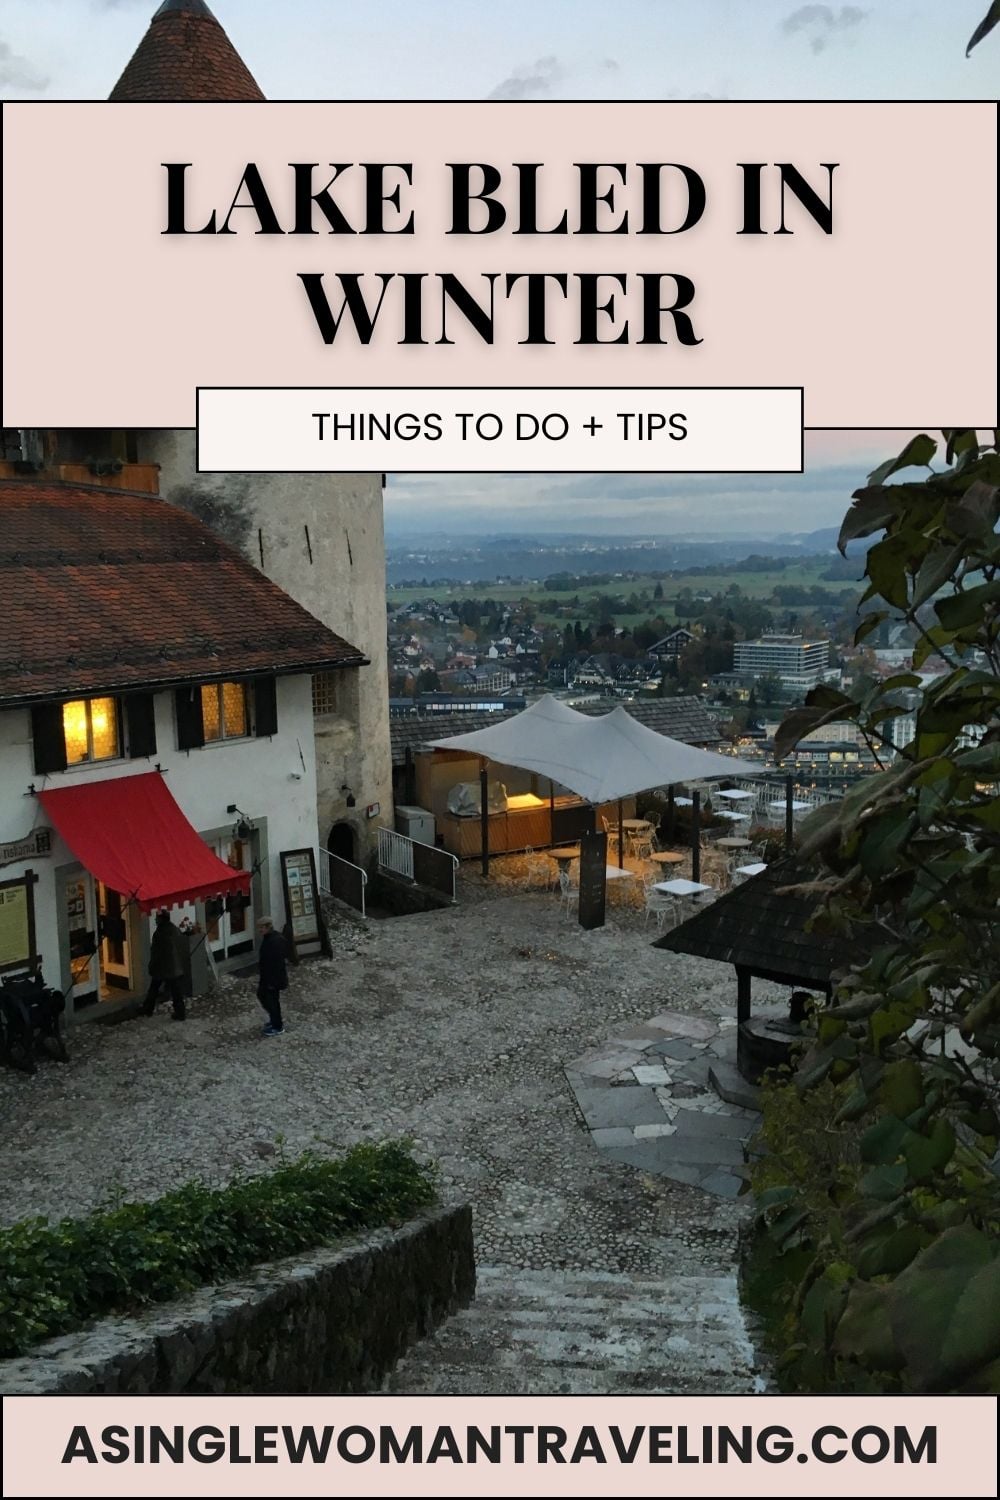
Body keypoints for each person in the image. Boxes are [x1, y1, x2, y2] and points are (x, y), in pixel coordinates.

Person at [142, 910, 187, 1020]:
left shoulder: (160, 933)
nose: (155, 920)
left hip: (163, 967)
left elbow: (156, 952)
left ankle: (148, 1009)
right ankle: (180, 1013)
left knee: (154, 988)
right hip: (174, 966)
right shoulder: (174, 930)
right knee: (176, 992)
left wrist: (152, 965)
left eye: (157, 918)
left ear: (161, 919)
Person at [256, 917, 288, 1036]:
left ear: (268, 927)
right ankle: (274, 1021)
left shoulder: (275, 941)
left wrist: (272, 981)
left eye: (261, 928)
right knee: (265, 997)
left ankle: (277, 1025)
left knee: (271, 1001)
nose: (259, 930)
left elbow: (276, 963)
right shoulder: (270, 938)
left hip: (272, 978)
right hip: (268, 977)